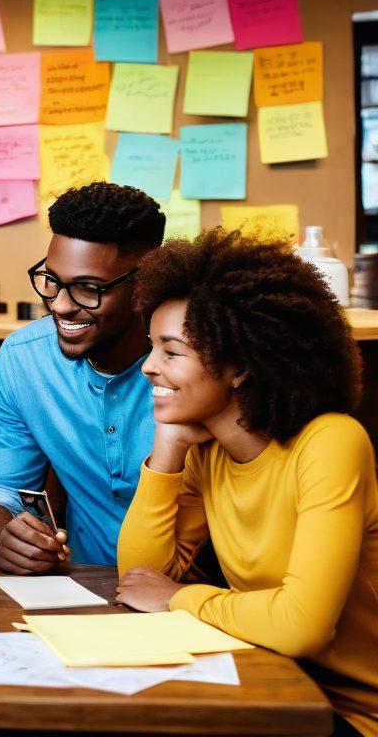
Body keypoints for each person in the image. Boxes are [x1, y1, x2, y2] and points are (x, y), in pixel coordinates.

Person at [117, 229, 378, 737]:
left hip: (350, 714)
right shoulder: (207, 452)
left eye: (172, 352)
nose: (149, 367)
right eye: (152, 348)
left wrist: (180, 597)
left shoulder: (331, 444)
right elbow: (138, 578)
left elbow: (300, 625)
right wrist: (167, 448)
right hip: (266, 683)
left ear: (238, 366)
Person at [0, 182, 165, 573]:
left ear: (145, 283)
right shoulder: (25, 360)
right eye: (52, 280)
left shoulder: (196, 363)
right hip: (84, 586)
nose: (59, 305)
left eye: (87, 289)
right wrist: (0, 539)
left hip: (195, 596)